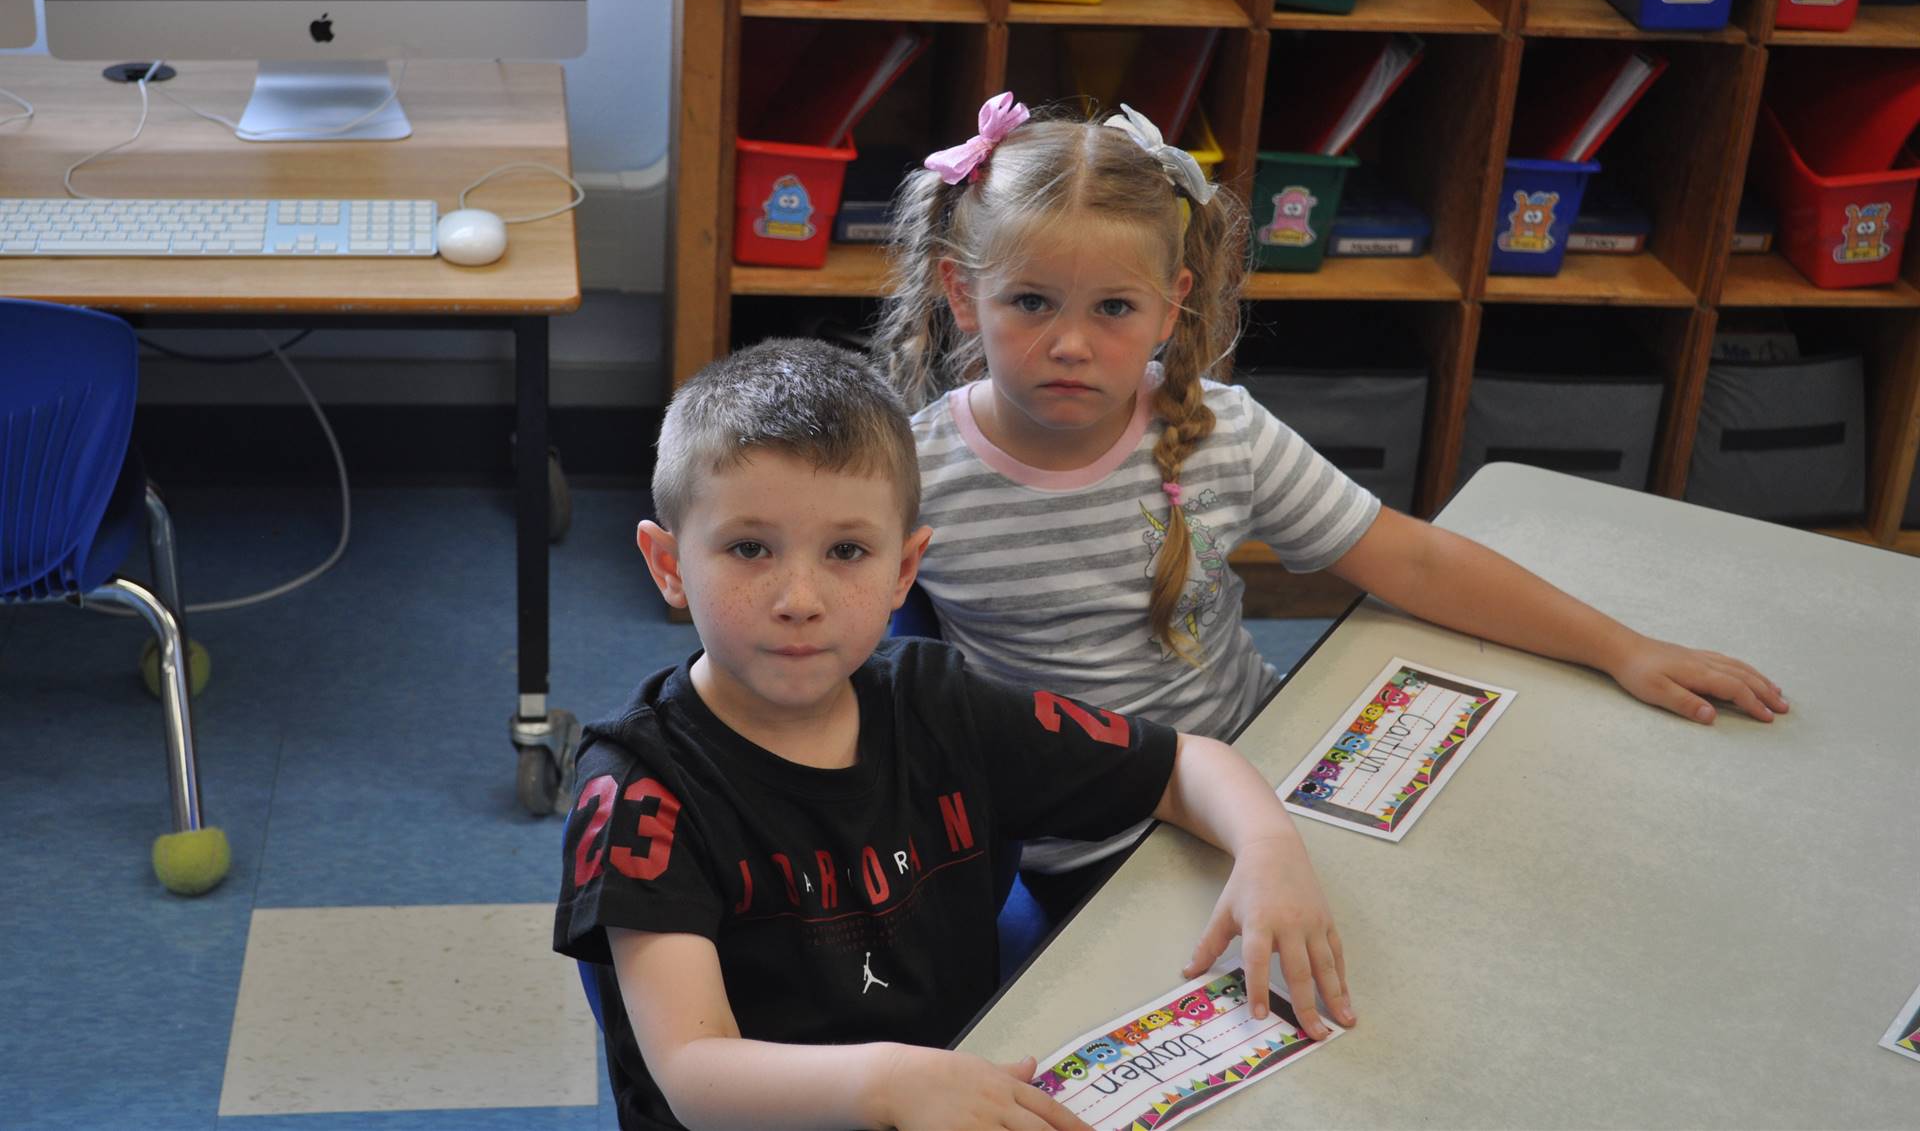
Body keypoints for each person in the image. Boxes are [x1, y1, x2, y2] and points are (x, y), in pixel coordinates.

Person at [874, 93, 1791, 923]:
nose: (1071, 344)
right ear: (963, 294)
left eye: (1114, 306)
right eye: (1031, 301)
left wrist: (1623, 648)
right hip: (1091, 841)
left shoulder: (1221, 431)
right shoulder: (911, 471)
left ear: (1169, 308)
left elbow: (1414, 560)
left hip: (1269, 763)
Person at [554, 338, 1357, 1131]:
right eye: (749, 548)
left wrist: (1268, 849)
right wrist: (889, 1081)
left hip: (954, 1089)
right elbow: (696, 1075)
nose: (799, 596)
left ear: (904, 569)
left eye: (846, 551)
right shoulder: (639, 787)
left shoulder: (940, 703)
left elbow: (1187, 764)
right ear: (667, 564)